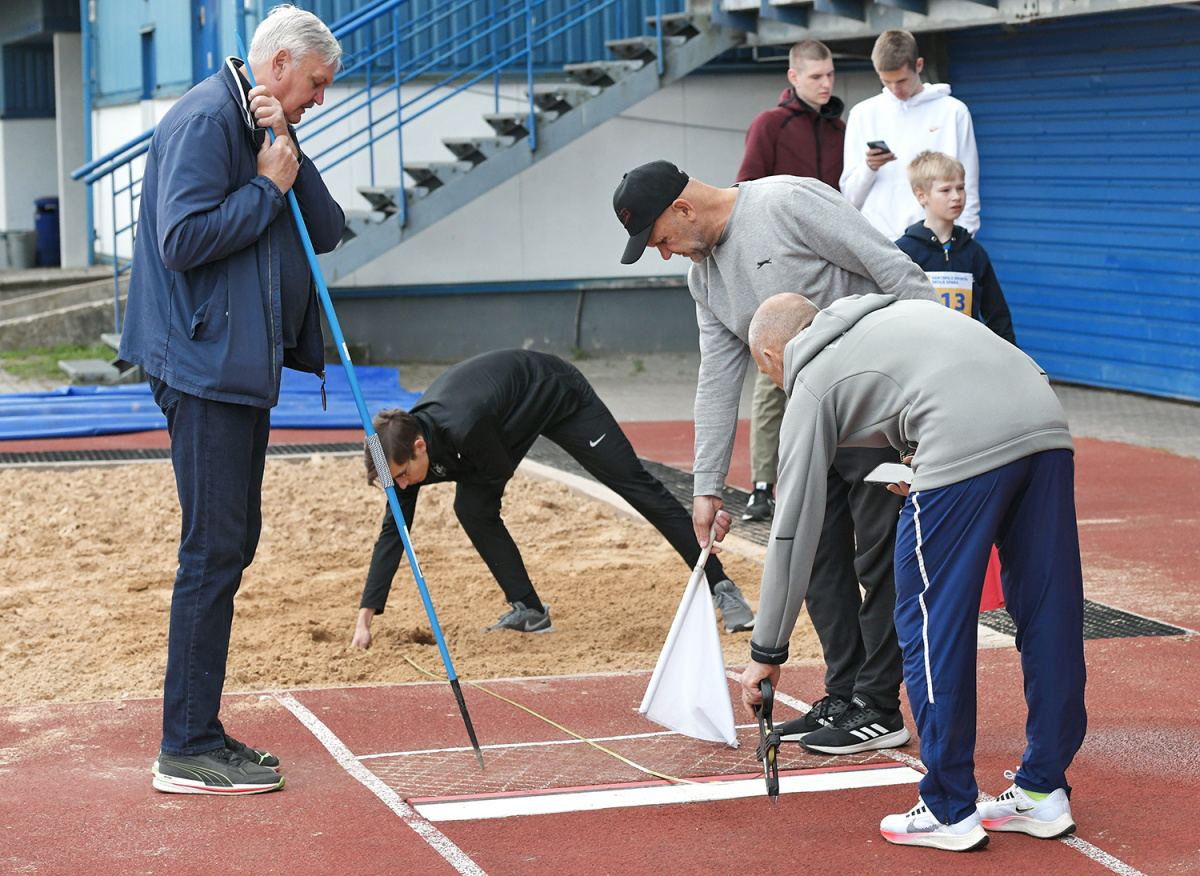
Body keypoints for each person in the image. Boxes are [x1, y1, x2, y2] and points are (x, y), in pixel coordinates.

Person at [738, 292, 1086, 852]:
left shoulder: (811, 378)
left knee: (928, 622)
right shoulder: (885, 316)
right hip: (1046, 424)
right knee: (1051, 611)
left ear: (770, 358)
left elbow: (793, 524)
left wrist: (767, 649)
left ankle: (949, 806)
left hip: (963, 440)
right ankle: (1043, 789)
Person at [613, 159, 936, 755]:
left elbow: (897, 272)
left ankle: (879, 705)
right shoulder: (704, 280)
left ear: (683, 209)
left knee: (879, 562)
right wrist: (706, 487)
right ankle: (845, 692)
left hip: (877, 410)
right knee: (815, 558)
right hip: (810, 423)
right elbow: (717, 380)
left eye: (660, 240)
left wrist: (931, 384)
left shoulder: (789, 203)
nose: (665, 254)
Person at [119, 5, 344, 795]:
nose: (320, 97)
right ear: (280, 64)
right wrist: (264, 186)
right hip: (202, 367)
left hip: (237, 367)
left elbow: (326, 227)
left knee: (232, 543)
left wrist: (287, 150)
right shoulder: (206, 121)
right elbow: (181, 240)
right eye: (315, 83)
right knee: (213, 549)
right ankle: (185, 745)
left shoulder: (259, 123)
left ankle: (200, 730)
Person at [352, 349, 755, 647]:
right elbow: (394, 530)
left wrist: (465, 484)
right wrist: (364, 618)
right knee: (471, 508)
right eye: (393, 481)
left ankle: (722, 587)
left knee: (634, 484)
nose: (401, 486)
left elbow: (497, 469)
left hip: (557, 393)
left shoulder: (466, 427)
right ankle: (529, 610)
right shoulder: (403, 459)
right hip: (504, 420)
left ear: (420, 446)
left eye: (402, 476)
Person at [735, 39, 845, 523]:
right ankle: (762, 485)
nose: (826, 84)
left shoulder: (841, 129)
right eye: (816, 76)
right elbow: (745, 190)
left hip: (830, 264)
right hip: (779, 264)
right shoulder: (769, 124)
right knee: (773, 370)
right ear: (793, 77)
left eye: (830, 75)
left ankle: (827, 479)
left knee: (832, 365)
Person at [840, 30, 980, 242]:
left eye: (902, 80)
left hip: (936, 241)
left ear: (919, 65)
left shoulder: (953, 112)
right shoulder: (862, 114)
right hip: (879, 243)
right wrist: (869, 167)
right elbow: (849, 198)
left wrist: (965, 238)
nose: (895, 88)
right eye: (886, 81)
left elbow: (968, 183)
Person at [895, 150, 1015, 344]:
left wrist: (1010, 355)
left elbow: (997, 315)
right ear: (921, 196)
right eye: (946, 190)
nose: (956, 196)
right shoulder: (903, 252)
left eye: (960, 188)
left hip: (966, 352)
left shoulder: (974, 252)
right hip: (919, 352)